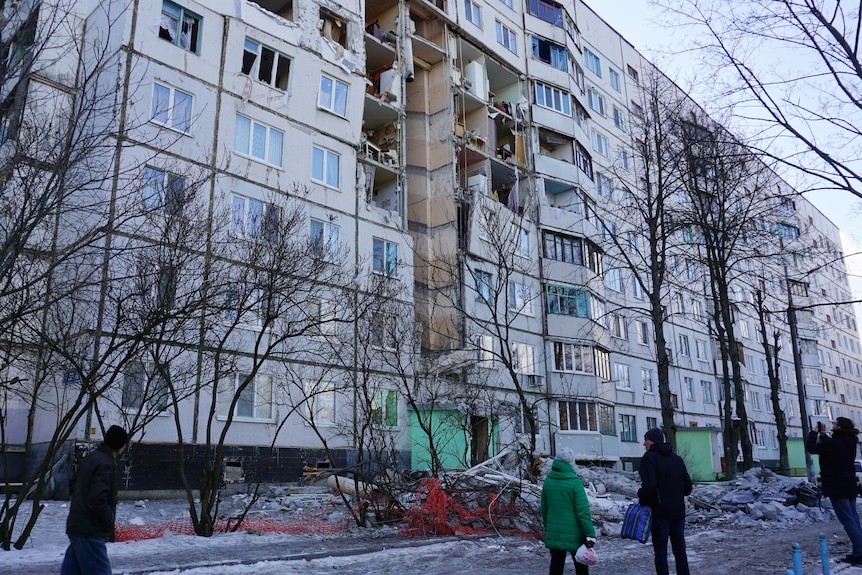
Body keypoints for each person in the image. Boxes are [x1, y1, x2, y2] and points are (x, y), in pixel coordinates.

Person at [61, 425, 129, 575]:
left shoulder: (91, 458)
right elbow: (97, 499)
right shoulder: (106, 464)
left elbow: (73, 485)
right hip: (90, 530)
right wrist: (108, 518)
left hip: (76, 525)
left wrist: (81, 501)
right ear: (120, 445)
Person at [806, 417, 862, 564]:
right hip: (849, 484)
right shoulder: (849, 442)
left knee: (848, 520)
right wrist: (824, 436)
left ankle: (860, 553)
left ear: (839, 427)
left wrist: (814, 432)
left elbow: (811, 447)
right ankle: (859, 550)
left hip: (837, 486)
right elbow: (832, 448)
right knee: (854, 519)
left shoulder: (834, 443)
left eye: (835, 423)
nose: (832, 425)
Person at [639, 427, 693, 575]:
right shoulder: (677, 459)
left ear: (653, 441)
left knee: (661, 554)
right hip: (678, 512)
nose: (644, 443)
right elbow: (688, 487)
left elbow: (649, 486)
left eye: (646, 440)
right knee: (680, 551)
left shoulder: (649, 458)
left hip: (660, 513)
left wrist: (642, 499)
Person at [541, 447, 596, 575]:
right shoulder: (575, 482)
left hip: (555, 531)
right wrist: (590, 534)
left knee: (556, 565)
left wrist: (548, 527)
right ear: (571, 462)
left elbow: (544, 508)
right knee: (581, 565)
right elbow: (583, 512)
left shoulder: (548, 481)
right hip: (575, 534)